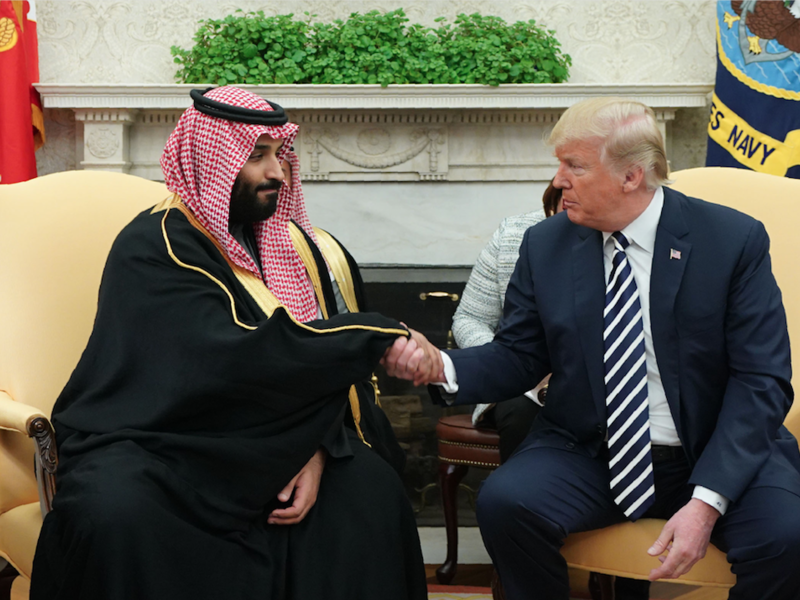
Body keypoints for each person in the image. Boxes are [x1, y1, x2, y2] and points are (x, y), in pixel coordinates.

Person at [385, 97, 800, 599]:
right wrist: (442, 366)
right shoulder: (547, 244)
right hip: (592, 450)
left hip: (715, 447)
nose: (559, 180)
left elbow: (763, 381)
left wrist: (707, 501)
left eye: (574, 165)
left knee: (785, 536)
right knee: (505, 502)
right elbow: (519, 354)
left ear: (631, 176)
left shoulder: (732, 241)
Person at [30, 86, 435, 600]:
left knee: (366, 493)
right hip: (160, 441)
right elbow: (234, 358)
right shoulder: (155, 248)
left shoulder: (303, 250)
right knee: (114, 512)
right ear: (210, 161)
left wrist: (314, 450)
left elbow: (322, 373)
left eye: (280, 155)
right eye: (256, 156)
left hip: (280, 436)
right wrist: (373, 335)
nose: (277, 173)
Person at [452, 182, 650, 600]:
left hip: (600, 386)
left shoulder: (630, 243)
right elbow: (469, 318)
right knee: (524, 420)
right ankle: (530, 545)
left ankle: (623, 569)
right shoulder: (516, 237)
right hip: (518, 384)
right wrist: (510, 364)